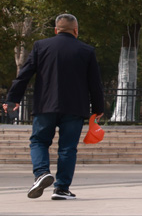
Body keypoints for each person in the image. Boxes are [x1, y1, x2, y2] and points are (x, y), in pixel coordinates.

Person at [6, 13, 105, 201]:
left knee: (39, 141)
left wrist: (13, 99)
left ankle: (42, 173)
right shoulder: (86, 50)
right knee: (68, 148)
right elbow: (95, 83)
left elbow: (24, 75)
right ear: (76, 30)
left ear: (55, 29)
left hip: (45, 106)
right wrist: (98, 108)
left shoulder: (40, 46)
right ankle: (61, 189)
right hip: (75, 108)